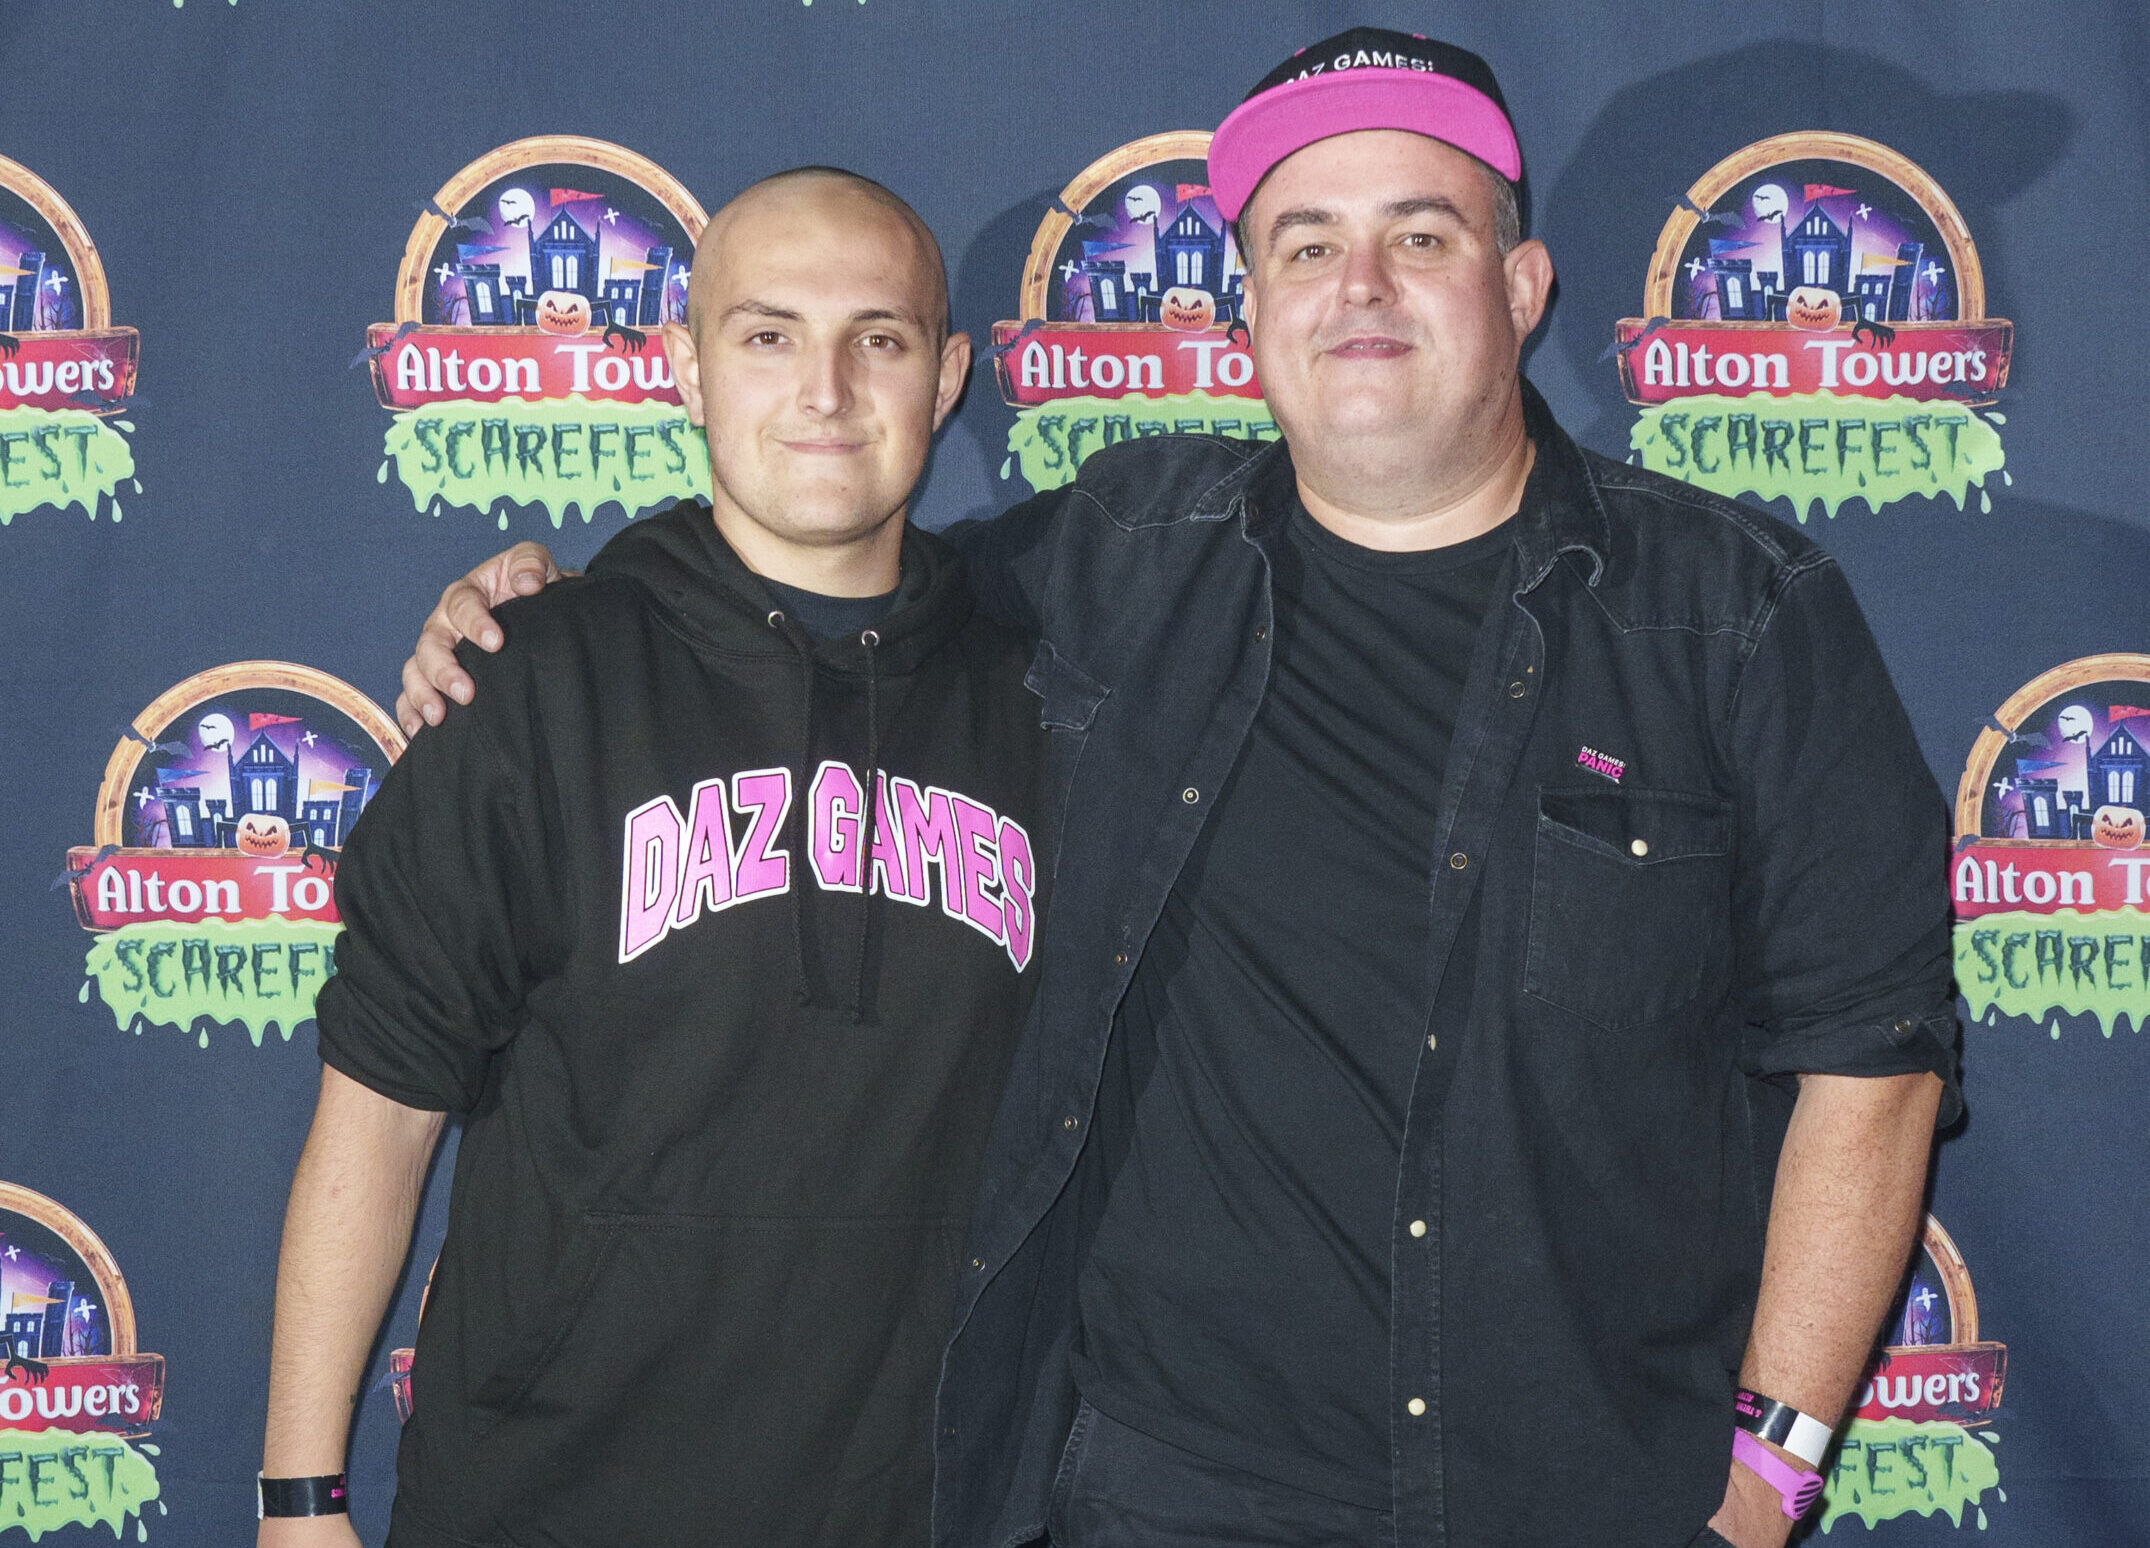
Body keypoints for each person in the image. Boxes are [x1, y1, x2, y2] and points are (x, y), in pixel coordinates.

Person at [401, 31, 1960, 1548]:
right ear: (1248, 311)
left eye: (1418, 235)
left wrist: (1768, 1474)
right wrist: (555, 619)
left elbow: (1869, 1061)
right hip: (1162, 1492)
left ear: (1522, 285)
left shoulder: (1734, 611)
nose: (1358, 287)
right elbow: (818, 575)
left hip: (1573, 1487)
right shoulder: (1122, 554)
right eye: (1304, 244)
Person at [259, 168, 1053, 1548]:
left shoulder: (1048, 704)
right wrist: (298, 1497)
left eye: (879, 337)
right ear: (684, 371)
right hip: (553, 1500)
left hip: (927, 1507)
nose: (824, 389)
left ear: (947, 377)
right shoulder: (530, 684)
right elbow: (378, 1118)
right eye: (766, 335)